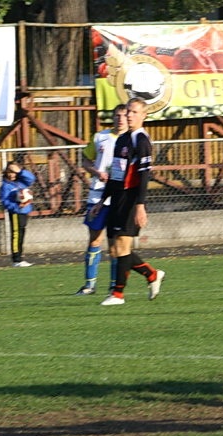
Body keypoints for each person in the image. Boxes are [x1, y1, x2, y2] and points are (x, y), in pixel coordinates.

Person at [99, 98, 166, 305]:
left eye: (134, 112)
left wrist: (140, 205)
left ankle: (117, 294)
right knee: (114, 248)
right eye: (128, 111)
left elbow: (145, 175)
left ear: (144, 115)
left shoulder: (141, 140)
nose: (129, 115)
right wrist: (103, 200)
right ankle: (152, 274)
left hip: (131, 197)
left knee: (123, 246)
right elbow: (116, 174)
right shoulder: (122, 140)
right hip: (118, 197)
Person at [76, 104, 128, 295]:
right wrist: (97, 172)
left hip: (119, 197)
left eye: (124, 115)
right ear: (112, 117)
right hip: (97, 193)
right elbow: (85, 160)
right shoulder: (100, 137)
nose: (120, 119)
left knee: (116, 243)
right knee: (94, 239)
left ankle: (114, 286)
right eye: (117, 115)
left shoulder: (131, 139)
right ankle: (89, 285)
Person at [0, 160, 36, 267]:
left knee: (22, 233)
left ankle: (20, 257)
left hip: (24, 211)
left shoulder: (22, 181)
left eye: (13, 172)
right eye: (9, 172)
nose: (11, 174)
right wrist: (16, 206)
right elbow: (5, 201)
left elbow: (32, 178)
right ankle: (16, 259)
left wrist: (20, 171)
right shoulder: (6, 185)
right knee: (16, 234)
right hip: (15, 212)